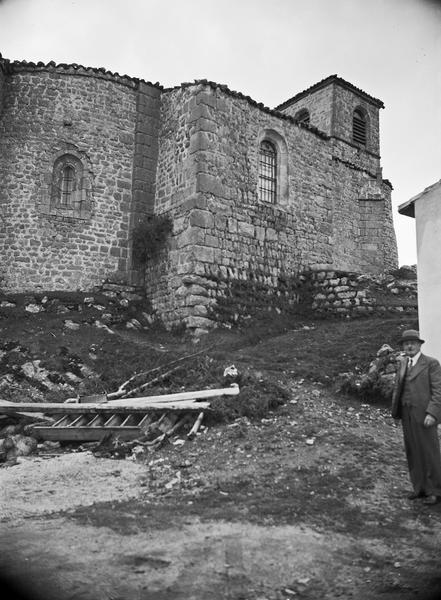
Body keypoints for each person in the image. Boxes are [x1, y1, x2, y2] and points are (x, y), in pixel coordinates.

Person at [391, 329, 441, 505]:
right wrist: (396, 412)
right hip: (407, 413)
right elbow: (398, 389)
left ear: (419, 345)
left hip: (424, 415)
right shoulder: (404, 363)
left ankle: (435, 490)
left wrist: (432, 413)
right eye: (406, 344)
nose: (409, 346)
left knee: (429, 452)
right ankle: (419, 488)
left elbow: (438, 391)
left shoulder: (431, 363)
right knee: (413, 451)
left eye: (412, 343)